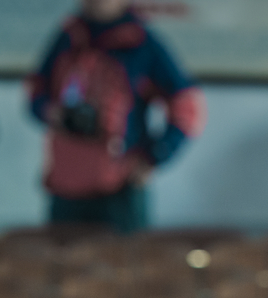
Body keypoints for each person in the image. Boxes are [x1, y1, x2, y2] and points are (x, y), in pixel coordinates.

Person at [29, 0, 206, 233]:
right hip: (65, 185)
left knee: (123, 264)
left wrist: (155, 155)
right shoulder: (68, 37)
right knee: (62, 263)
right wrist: (50, 112)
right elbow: (36, 90)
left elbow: (187, 106)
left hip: (118, 187)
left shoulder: (141, 43)